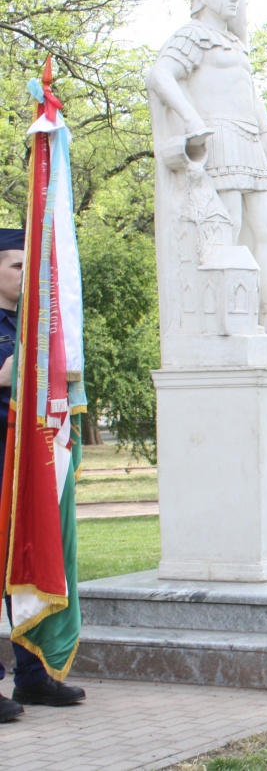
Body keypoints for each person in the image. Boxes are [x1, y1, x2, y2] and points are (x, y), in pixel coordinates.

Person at [146, 0, 267, 334]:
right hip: (217, 138)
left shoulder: (235, 42)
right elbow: (160, 76)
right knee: (228, 229)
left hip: (248, 142)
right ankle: (229, 318)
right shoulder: (192, 35)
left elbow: (249, 90)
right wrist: (189, 119)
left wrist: (266, 128)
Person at [0, 228, 86, 722]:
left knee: (31, 564)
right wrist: (46, 341)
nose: (27, 274)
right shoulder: (22, 327)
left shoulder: (36, 322)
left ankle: (34, 678)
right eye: (17, 265)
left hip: (32, 460)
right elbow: (8, 371)